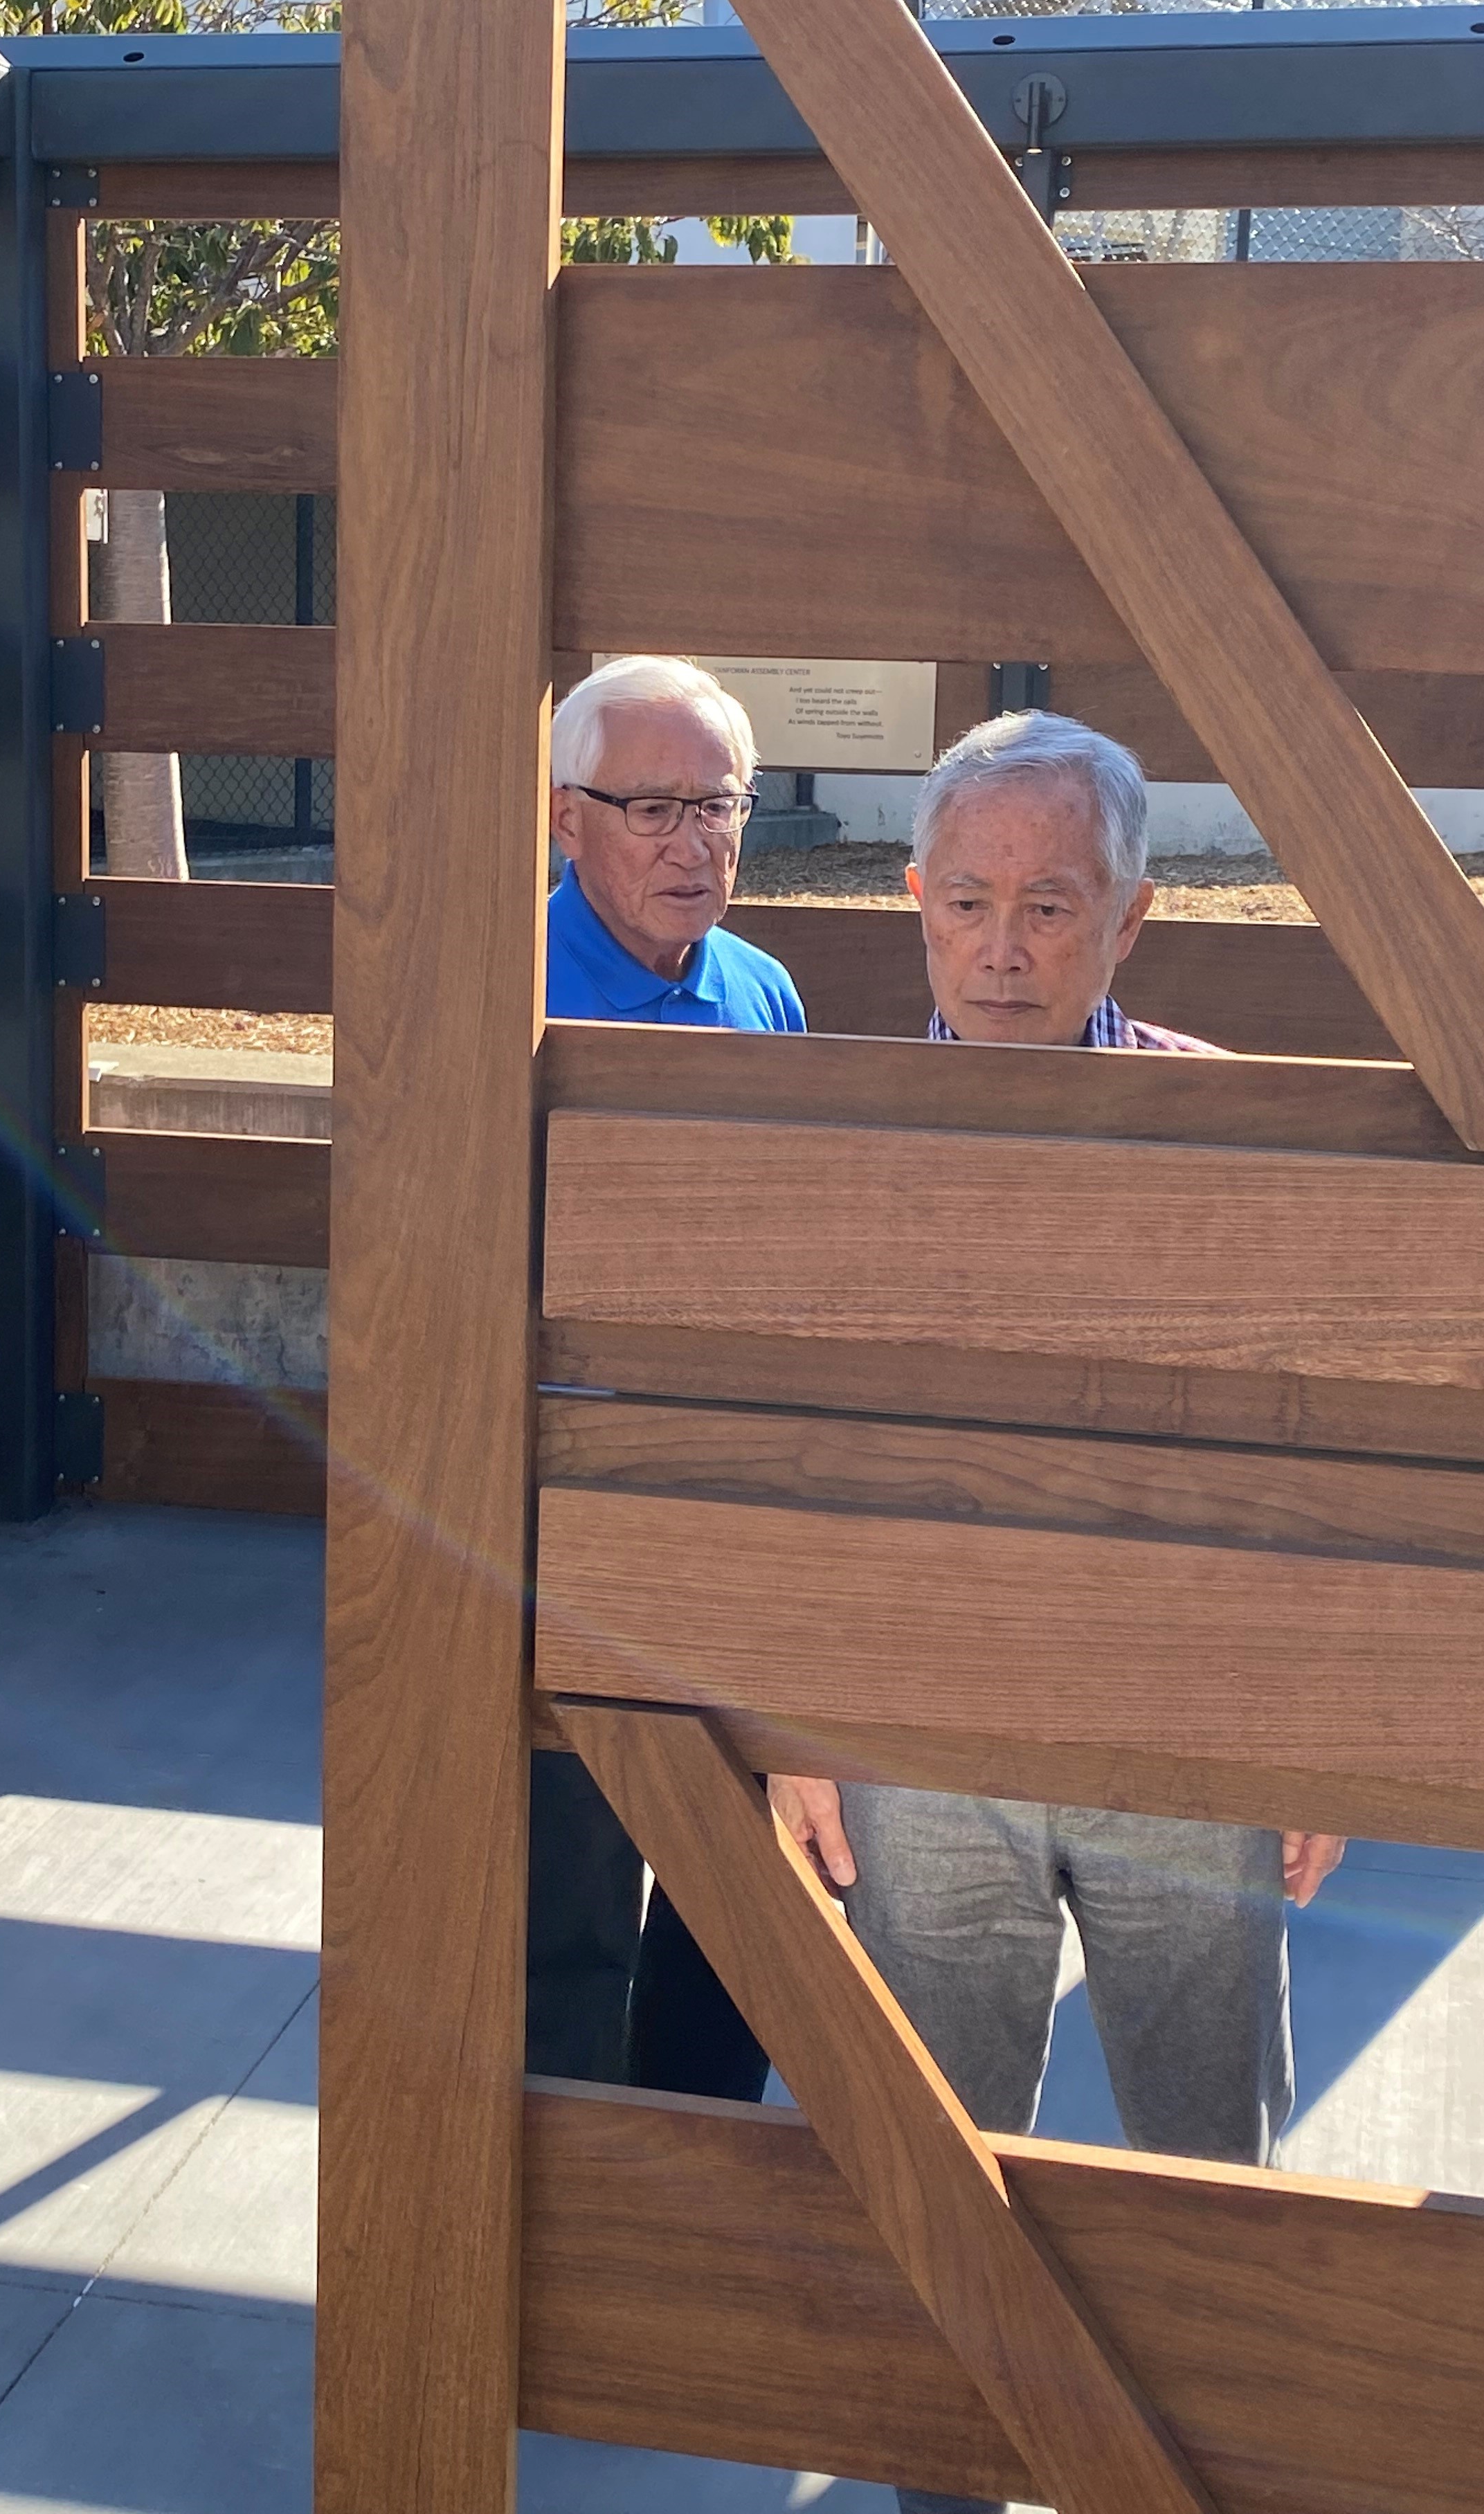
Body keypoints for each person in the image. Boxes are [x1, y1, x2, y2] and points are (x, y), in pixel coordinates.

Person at [766, 711, 1346, 2514]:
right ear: (913, 907)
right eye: (967, 905)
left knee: (1207, 2175)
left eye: (1049, 904)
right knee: (943, 2187)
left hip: (1180, 1741)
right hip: (921, 1750)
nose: (1003, 949)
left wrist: (1313, 1723)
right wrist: (793, 1728)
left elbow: (1296, 1447)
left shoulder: (1223, 1128)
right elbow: (796, 1459)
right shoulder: (833, 1145)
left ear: (1132, 918)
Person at [535, 653, 802, 2100]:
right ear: (566, 817)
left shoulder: (768, 991)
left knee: (736, 1908)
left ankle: (705, 2175)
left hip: (730, 1517)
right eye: (653, 806)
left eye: (720, 804)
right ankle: (576, 2197)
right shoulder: (499, 994)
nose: (695, 841)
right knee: (569, 1898)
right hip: (567, 1520)